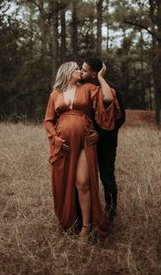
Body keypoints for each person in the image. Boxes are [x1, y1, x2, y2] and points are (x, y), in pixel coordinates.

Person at [44, 61, 121, 239]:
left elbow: (108, 98)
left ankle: (86, 227)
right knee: (64, 183)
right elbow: (48, 120)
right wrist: (55, 139)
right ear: (68, 73)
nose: (80, 71)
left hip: (84, 143)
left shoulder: (87, 88)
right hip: (64, 145)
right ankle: (70, 222)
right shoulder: (55, 94)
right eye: (77, 69)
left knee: (83, 183)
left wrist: (100, 76)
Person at [81, 58, 125, 223]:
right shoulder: (81, 87)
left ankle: (110, 212)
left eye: (84, 70)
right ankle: (87, 212)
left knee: (107, 177)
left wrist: (101, 134)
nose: (81, 72)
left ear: (93, 73)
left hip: (106, 143)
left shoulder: (111, 89)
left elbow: (121, 118)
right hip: (86, 142)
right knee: (84, 178)